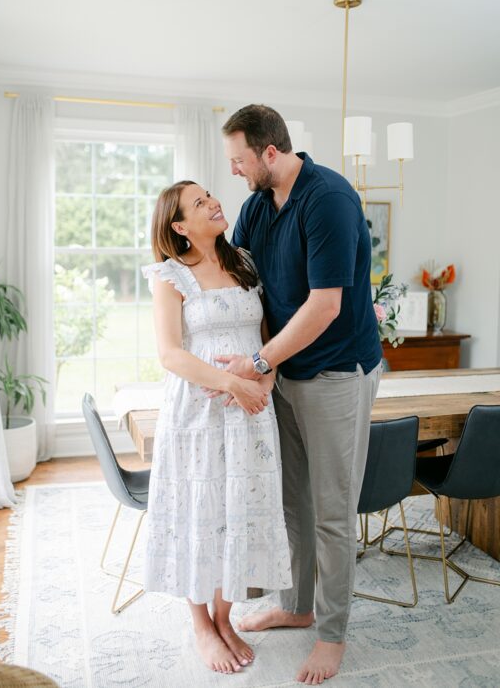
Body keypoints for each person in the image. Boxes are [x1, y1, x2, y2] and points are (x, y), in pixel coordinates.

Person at [221, 104, 383, 685]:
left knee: (333, 514)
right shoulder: (256, 207)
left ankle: (333, 635)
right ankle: (297, 604)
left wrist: (262, 361)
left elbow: (325, 305)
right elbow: (245, 284)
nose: (235, 171)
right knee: (294, 503)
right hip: (286, 373)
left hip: (338, 371)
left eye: (240, 160)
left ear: (269, 153)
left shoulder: (329, 199)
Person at [142, 180, 291, 675]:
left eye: (211, 195)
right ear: (180, 226)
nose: (214, 202)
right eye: (199, 202)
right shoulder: (171, 276)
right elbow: (170, 354)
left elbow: (265, 336)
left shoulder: (245, 263)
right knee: (199, 515)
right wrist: (233, 382)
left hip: (250, 412)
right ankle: (201, 624)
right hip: (198, 415)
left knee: (239, 513)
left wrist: (262, 381)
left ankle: (225, 618)